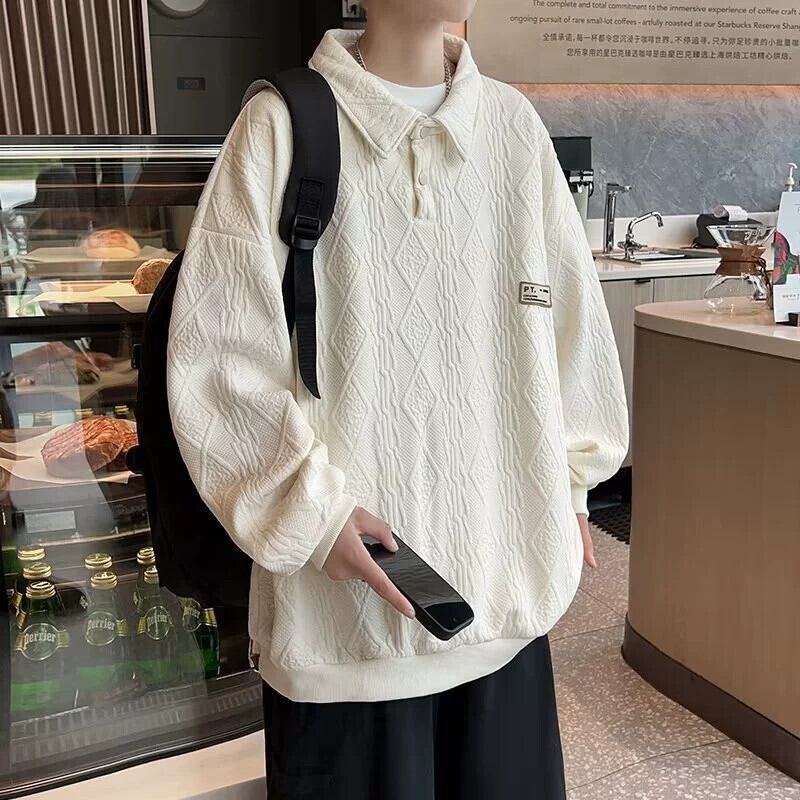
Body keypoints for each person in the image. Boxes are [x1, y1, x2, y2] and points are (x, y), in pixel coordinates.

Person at [166, 1, 628, 797]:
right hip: (342, 640)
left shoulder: (511, 128)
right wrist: (313, 514)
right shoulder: (280, 127)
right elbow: (220, 360)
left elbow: (570, 329)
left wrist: (570, 482)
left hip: (504, 621)